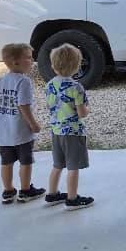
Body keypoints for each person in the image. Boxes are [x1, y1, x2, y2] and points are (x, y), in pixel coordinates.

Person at [44, 43, 94, 211]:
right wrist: (87, 108)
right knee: (73, 166)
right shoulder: (76, 87)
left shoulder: (49, 84)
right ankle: (72, 199)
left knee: (57, 164)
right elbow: (81, 113)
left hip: (56, 130)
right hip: (72, 132)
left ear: (53, 65)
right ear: (77, 66)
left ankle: (52, 194)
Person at [0, 43, 44, 204]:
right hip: (21, 132)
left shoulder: (2, 80)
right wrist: (33, 124)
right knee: (26, 162)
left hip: (3, 132)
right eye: (28, 57)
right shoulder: (24, 82)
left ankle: (8, 191)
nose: (32, 60)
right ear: (16, 62)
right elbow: (23, 105)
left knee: (6, 162)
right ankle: (25, 190)